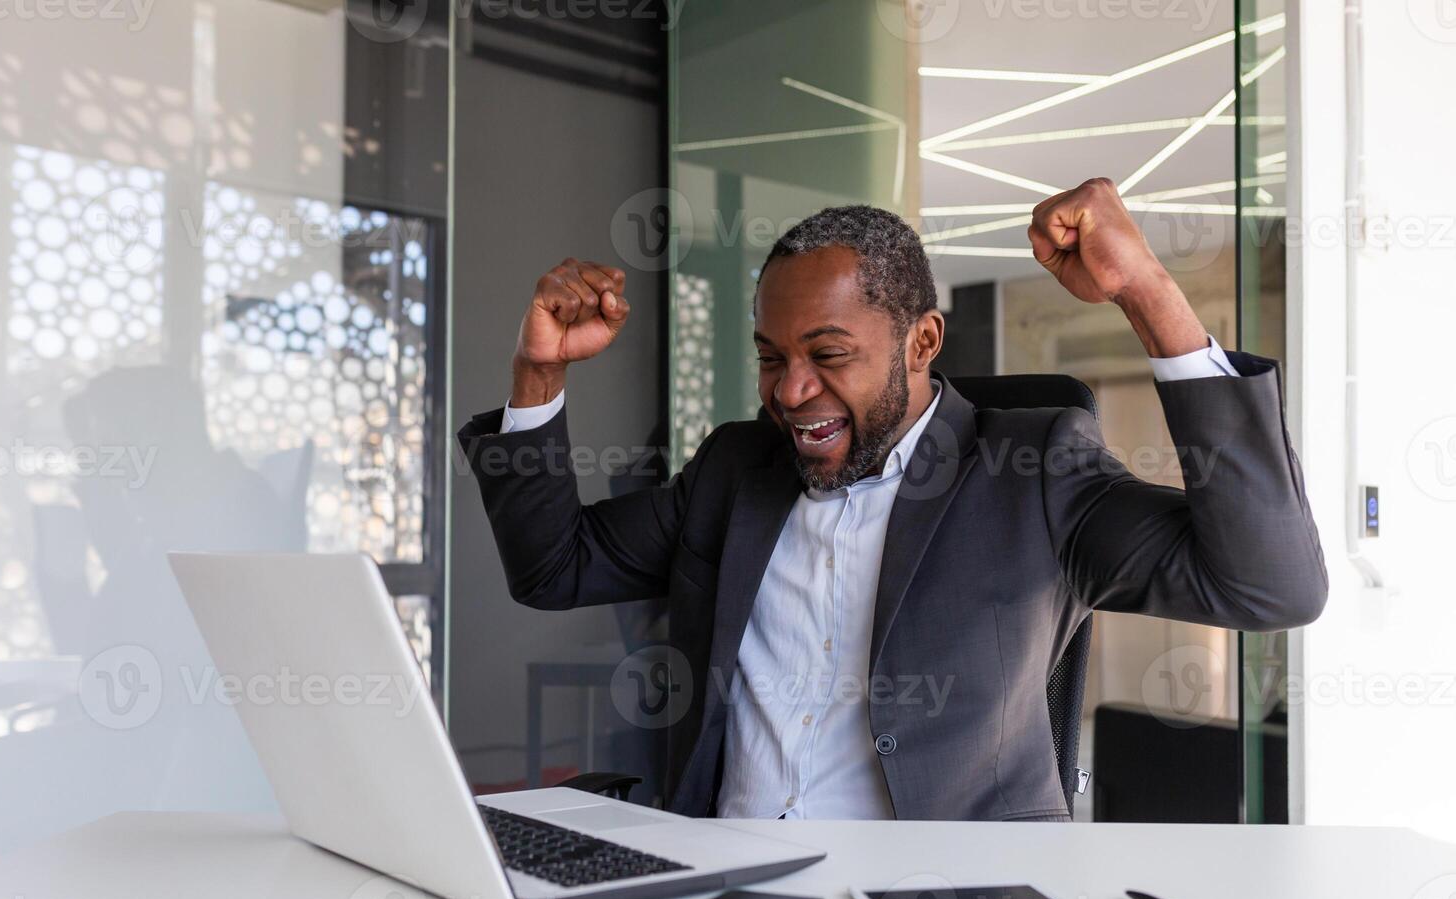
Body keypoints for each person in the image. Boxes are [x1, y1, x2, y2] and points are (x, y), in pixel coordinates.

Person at [459, 178, 1327, 821]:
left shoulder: (1034, 469)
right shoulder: (736, 469)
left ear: (922, 342)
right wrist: (540, 372)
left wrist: (1148, 293)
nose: (790, 391)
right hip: (730, 893)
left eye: (828, 355)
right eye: (770, 356)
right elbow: (551, 567)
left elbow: (1269, 585)